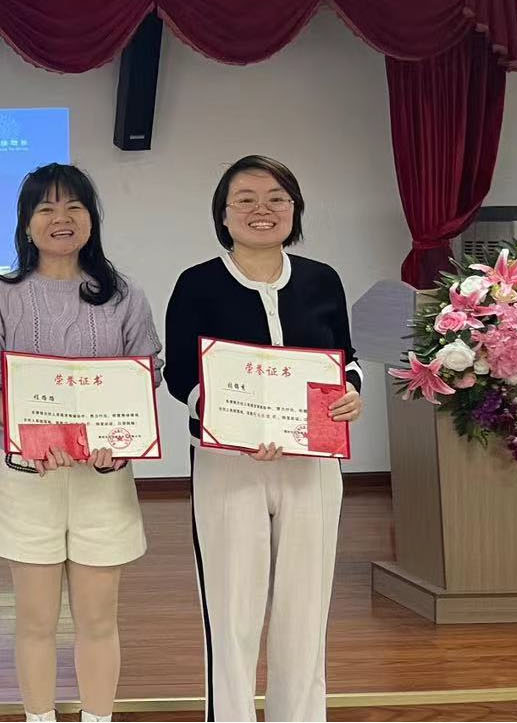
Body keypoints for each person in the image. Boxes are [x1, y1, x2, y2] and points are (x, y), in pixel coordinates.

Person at [163, 155, 364, 722]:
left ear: (294, 210)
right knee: (232, 609)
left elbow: (343, 357)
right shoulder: (198, 283)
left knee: (306, 607)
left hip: (313, 461)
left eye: (277, 198)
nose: (262, 209)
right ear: (223, 214)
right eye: (246, 199)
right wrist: (232, 426)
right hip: (229, 464)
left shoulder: (322, 279)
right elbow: (181, 374)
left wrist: (353, 391)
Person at [0, 164, 161, 723]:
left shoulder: (124, 296)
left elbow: (145, 373)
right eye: (45, 208)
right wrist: (34, 431)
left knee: (99, 620)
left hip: (104, 475)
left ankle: (98, 718)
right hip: (28, 475)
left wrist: (118, 436)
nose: (61, 218)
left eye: (74, 206)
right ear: (26, 224)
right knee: (35, 621)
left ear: (91, 219)